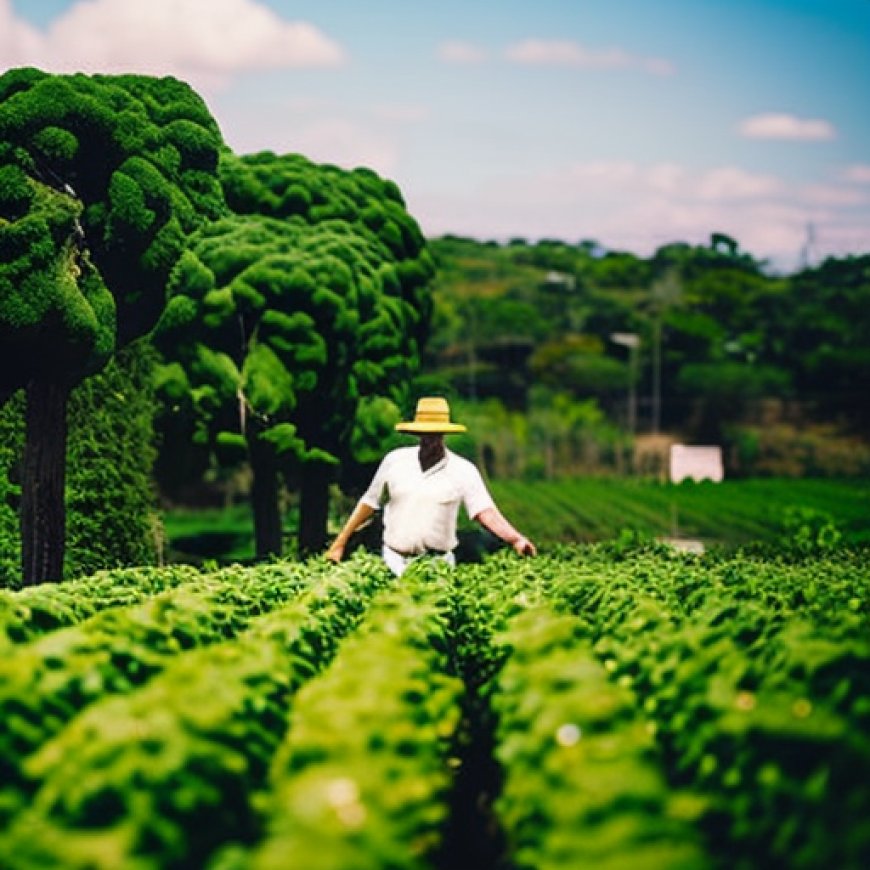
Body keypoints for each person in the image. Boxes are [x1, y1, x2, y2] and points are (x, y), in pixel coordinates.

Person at [326, 396, 536, 575]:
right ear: (417, 433)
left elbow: (485, 512)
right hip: (394, 562)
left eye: (435, 434)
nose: (429, 440)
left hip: (439, 564)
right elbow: (369, 504)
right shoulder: (395, 461)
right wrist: (340, 543)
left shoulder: (463, 470)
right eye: (425, 434)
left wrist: (516, 539)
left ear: (444, 434)